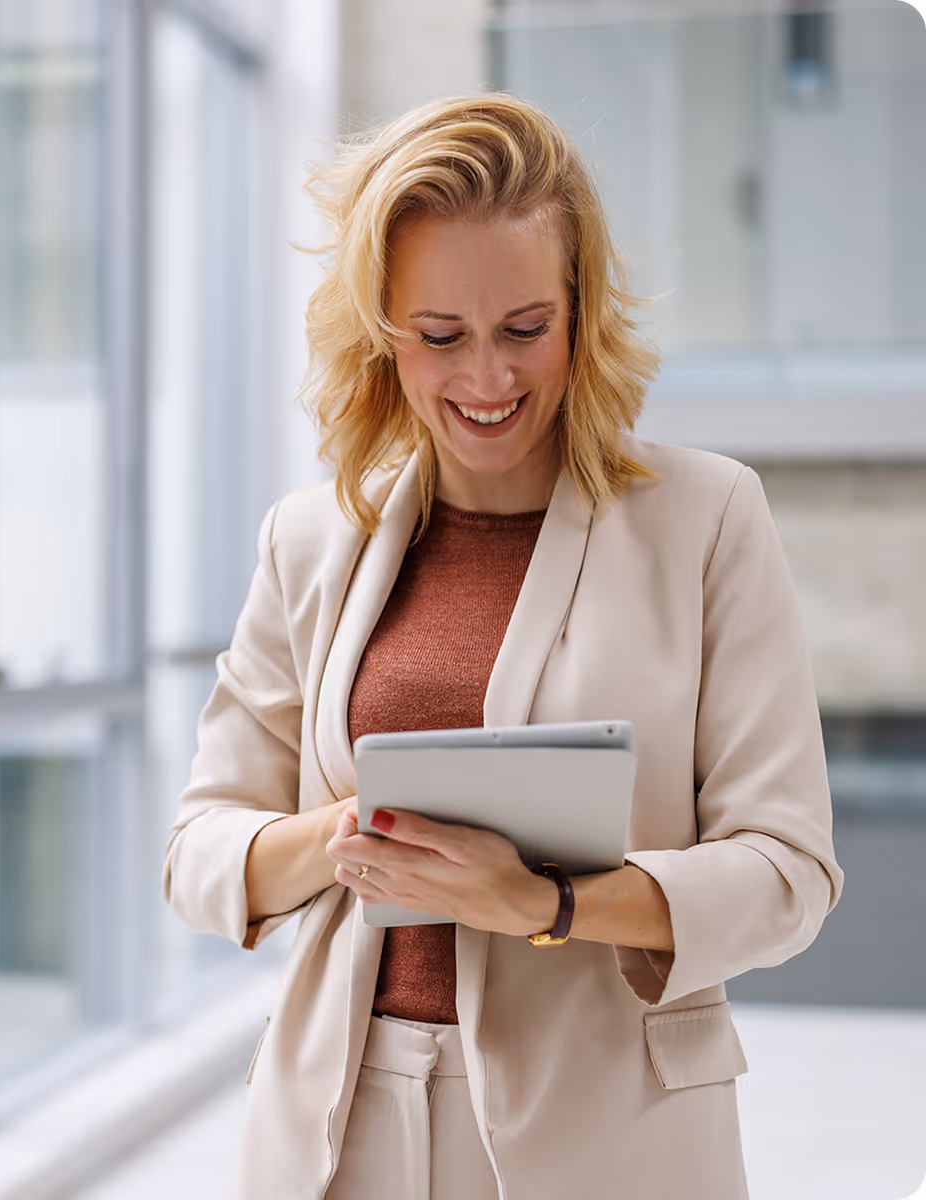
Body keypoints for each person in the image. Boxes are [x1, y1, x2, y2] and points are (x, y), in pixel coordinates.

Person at [162, 94, 843, 1200]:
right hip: (341, 1122)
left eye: (525, 329)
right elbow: (196, 854)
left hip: (606, 1127)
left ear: (581, 313)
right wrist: (351, 834)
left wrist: (547, 904)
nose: (487, 380)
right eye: (440, 338)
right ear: (382, 332)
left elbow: (787, 875)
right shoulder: (309, 537)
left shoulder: (709, 518)